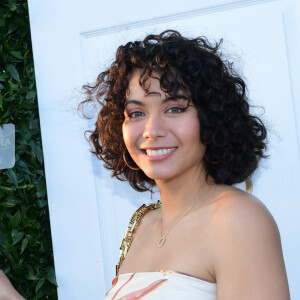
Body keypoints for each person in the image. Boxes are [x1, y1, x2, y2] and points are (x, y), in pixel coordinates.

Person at [0, 30, 290, 299]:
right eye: (136, 113)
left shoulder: (238, 219)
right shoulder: (143, 223)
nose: (151, 129)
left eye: (174, 108)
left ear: (211, 117)